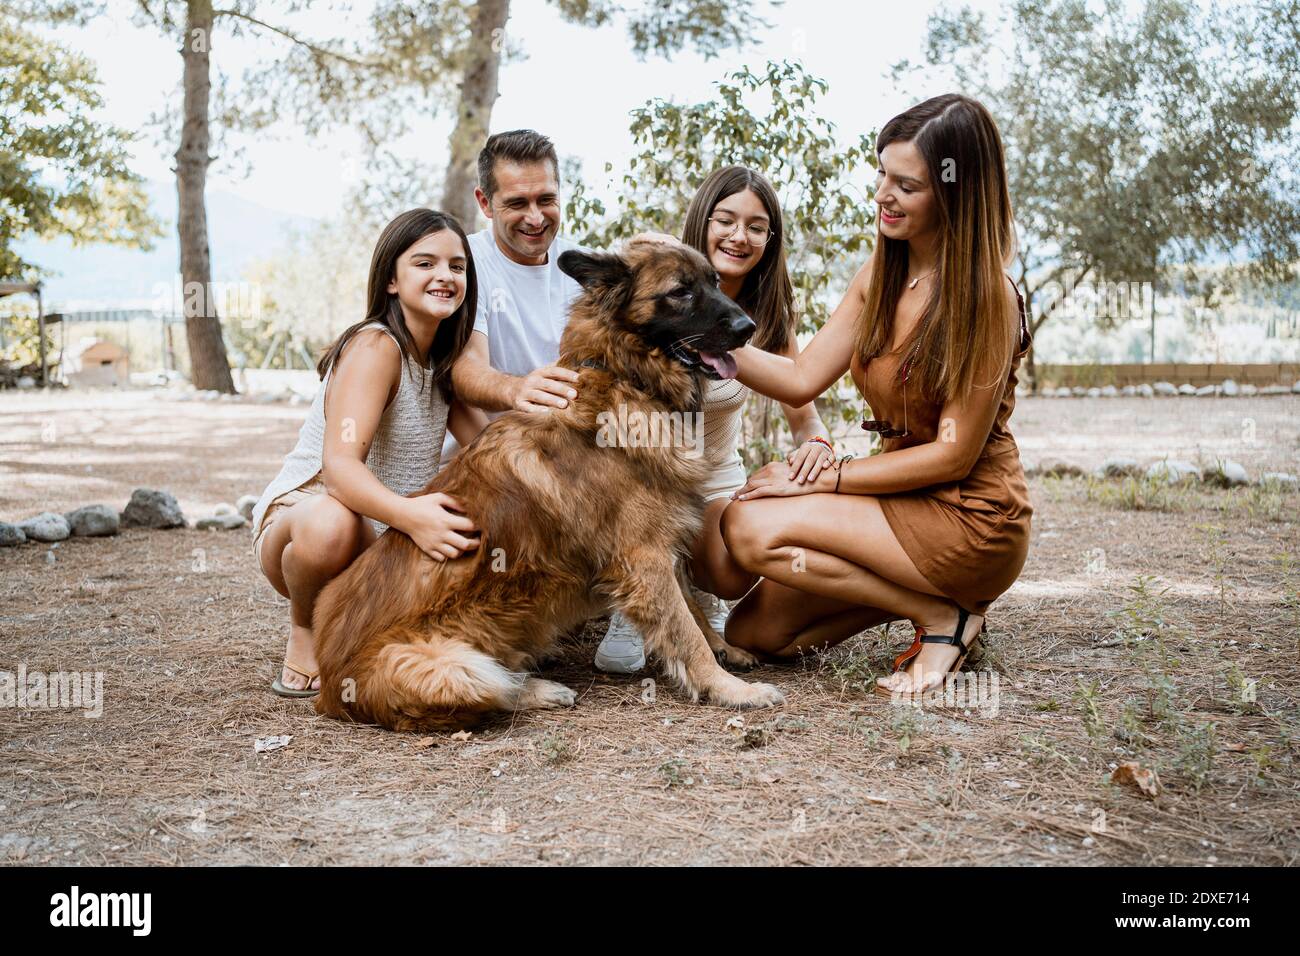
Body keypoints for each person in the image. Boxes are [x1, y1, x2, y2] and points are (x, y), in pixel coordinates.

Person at [718, 93, 1033, 699]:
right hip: (897, 500)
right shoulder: (881, 271)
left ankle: (945, 619)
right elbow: (800, 377)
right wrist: (708, 344)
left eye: (906, 185)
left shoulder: (988, 296)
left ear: (955, 192)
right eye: (881, 175)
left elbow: (952, 457)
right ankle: (932, 603)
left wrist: (823, 479)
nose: (882, 195)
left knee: (751, 526)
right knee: (758, 635)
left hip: (970, 515)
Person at [596, 165, 836, 673]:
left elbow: (804, 415)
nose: (739, 236)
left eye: (756, 226)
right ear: (703, 219)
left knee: (730, 573)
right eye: (725, 219)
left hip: (714, 481)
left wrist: (816, 445)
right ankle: (637, 593)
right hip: (640, 477)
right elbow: (626, 266)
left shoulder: (766, 318)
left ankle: (695, 590)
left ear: (770, 239)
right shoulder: (657, 281)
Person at [251, 208, 488, 697]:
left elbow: (488, 451)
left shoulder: (445, 361)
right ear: (391, 282)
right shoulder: (376, 347)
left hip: (384, 536)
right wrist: (413, 517)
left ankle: (363, 628)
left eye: (457, 266)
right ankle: (307, 630)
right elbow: (338, 470)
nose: (444, 275)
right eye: (424, 264)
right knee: (329, 523)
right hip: (308, 521)